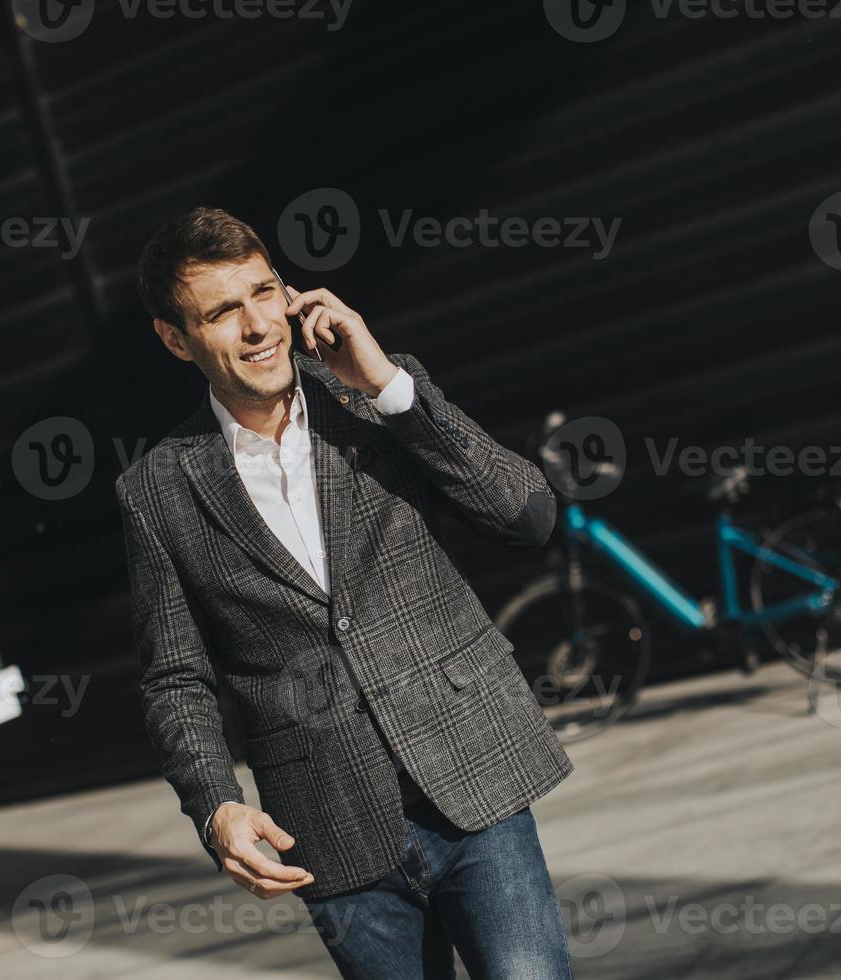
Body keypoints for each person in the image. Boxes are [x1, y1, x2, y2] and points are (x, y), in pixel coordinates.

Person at [116, 205, 576, 977]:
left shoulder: (377, 400)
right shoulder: (156, 490)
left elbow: (527, 516)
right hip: (329, 824)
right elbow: (175, 678)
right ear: (174, 338)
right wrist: (214, 806)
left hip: (471, 772)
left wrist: (389, 386)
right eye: (225, 311)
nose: (260, 325)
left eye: (266, 293)